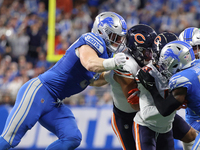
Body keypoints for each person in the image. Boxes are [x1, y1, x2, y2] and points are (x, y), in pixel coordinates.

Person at [0, 11, 128, 150]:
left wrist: (113, 75)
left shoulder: (103, 55)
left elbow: (94, 80)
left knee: (72, 137)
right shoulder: (91, 40)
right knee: (8, 140)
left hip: (54, 102)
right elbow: (90, 63)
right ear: (102, 32)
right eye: (115, 36)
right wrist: (112, 64)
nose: (119, 41)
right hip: (39, 92)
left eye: (120, 38)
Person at [129, 33, 196, 150]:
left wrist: (172, 105)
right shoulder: (148, 74)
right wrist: (172, 106)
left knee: (191, 136)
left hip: (166, 127)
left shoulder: (180, 73)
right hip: (146, 127)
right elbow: (146, 115)